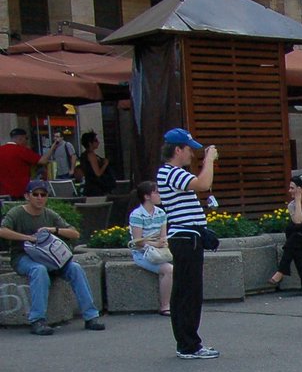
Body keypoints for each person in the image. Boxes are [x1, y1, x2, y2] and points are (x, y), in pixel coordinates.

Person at [0, 179, 105, 335]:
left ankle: (91, 317)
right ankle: (38, 320)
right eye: (35, 194)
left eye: (43, 194)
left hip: (51, 258)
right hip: (23, 257)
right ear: (27, 196)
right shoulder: (16, 213)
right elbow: (2, 231)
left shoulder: (49, 214)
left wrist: (53, 229)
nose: (40, 198)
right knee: (39, 270)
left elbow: (74, 233)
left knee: (75, 268)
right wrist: (28, 238)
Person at [157, 127, 220, 359]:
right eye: (188, 150)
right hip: (186, 238)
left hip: (188, 237)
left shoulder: (169, 173)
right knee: (188, 293)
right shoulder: (171, 173)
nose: (192, 155)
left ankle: (188, 342)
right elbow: (203, 183)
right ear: (177, 150)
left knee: (186, 291)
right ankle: (189, 344)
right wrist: (209, 160)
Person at [268, 175, 302, 294]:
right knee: (296, 245)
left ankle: (282, 271)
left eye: (292, 188)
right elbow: (298, 220)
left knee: (294, 239)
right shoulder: (292, 205)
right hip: (300, 238)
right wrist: (298, 202)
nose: (290, 191)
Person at [128, 180, 175, 315]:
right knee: (169, 270)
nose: (160, 195)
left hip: (159, 251)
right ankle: (165, 305)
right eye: (156, 192)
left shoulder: (161, 213)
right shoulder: (137, 214)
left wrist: (163, 242)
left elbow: (163, 236)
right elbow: (137, 242)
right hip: (142, 253)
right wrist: (156, 244)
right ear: (147, 196)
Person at [0, 128, 41, 198]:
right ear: (21, 138)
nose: (26, 141)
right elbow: (42, 160)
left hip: (3, 190)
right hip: (20, 190)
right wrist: (53, 147)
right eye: (26, 138)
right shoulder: (21, 150)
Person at [79, 131, 116, 196]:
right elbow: (98, 173)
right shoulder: (91, 155)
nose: (98, 142)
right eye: (95, 140)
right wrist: (105, 164)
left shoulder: (84, 155)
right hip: (96, 188)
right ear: (90, 143)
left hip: (90, 186)